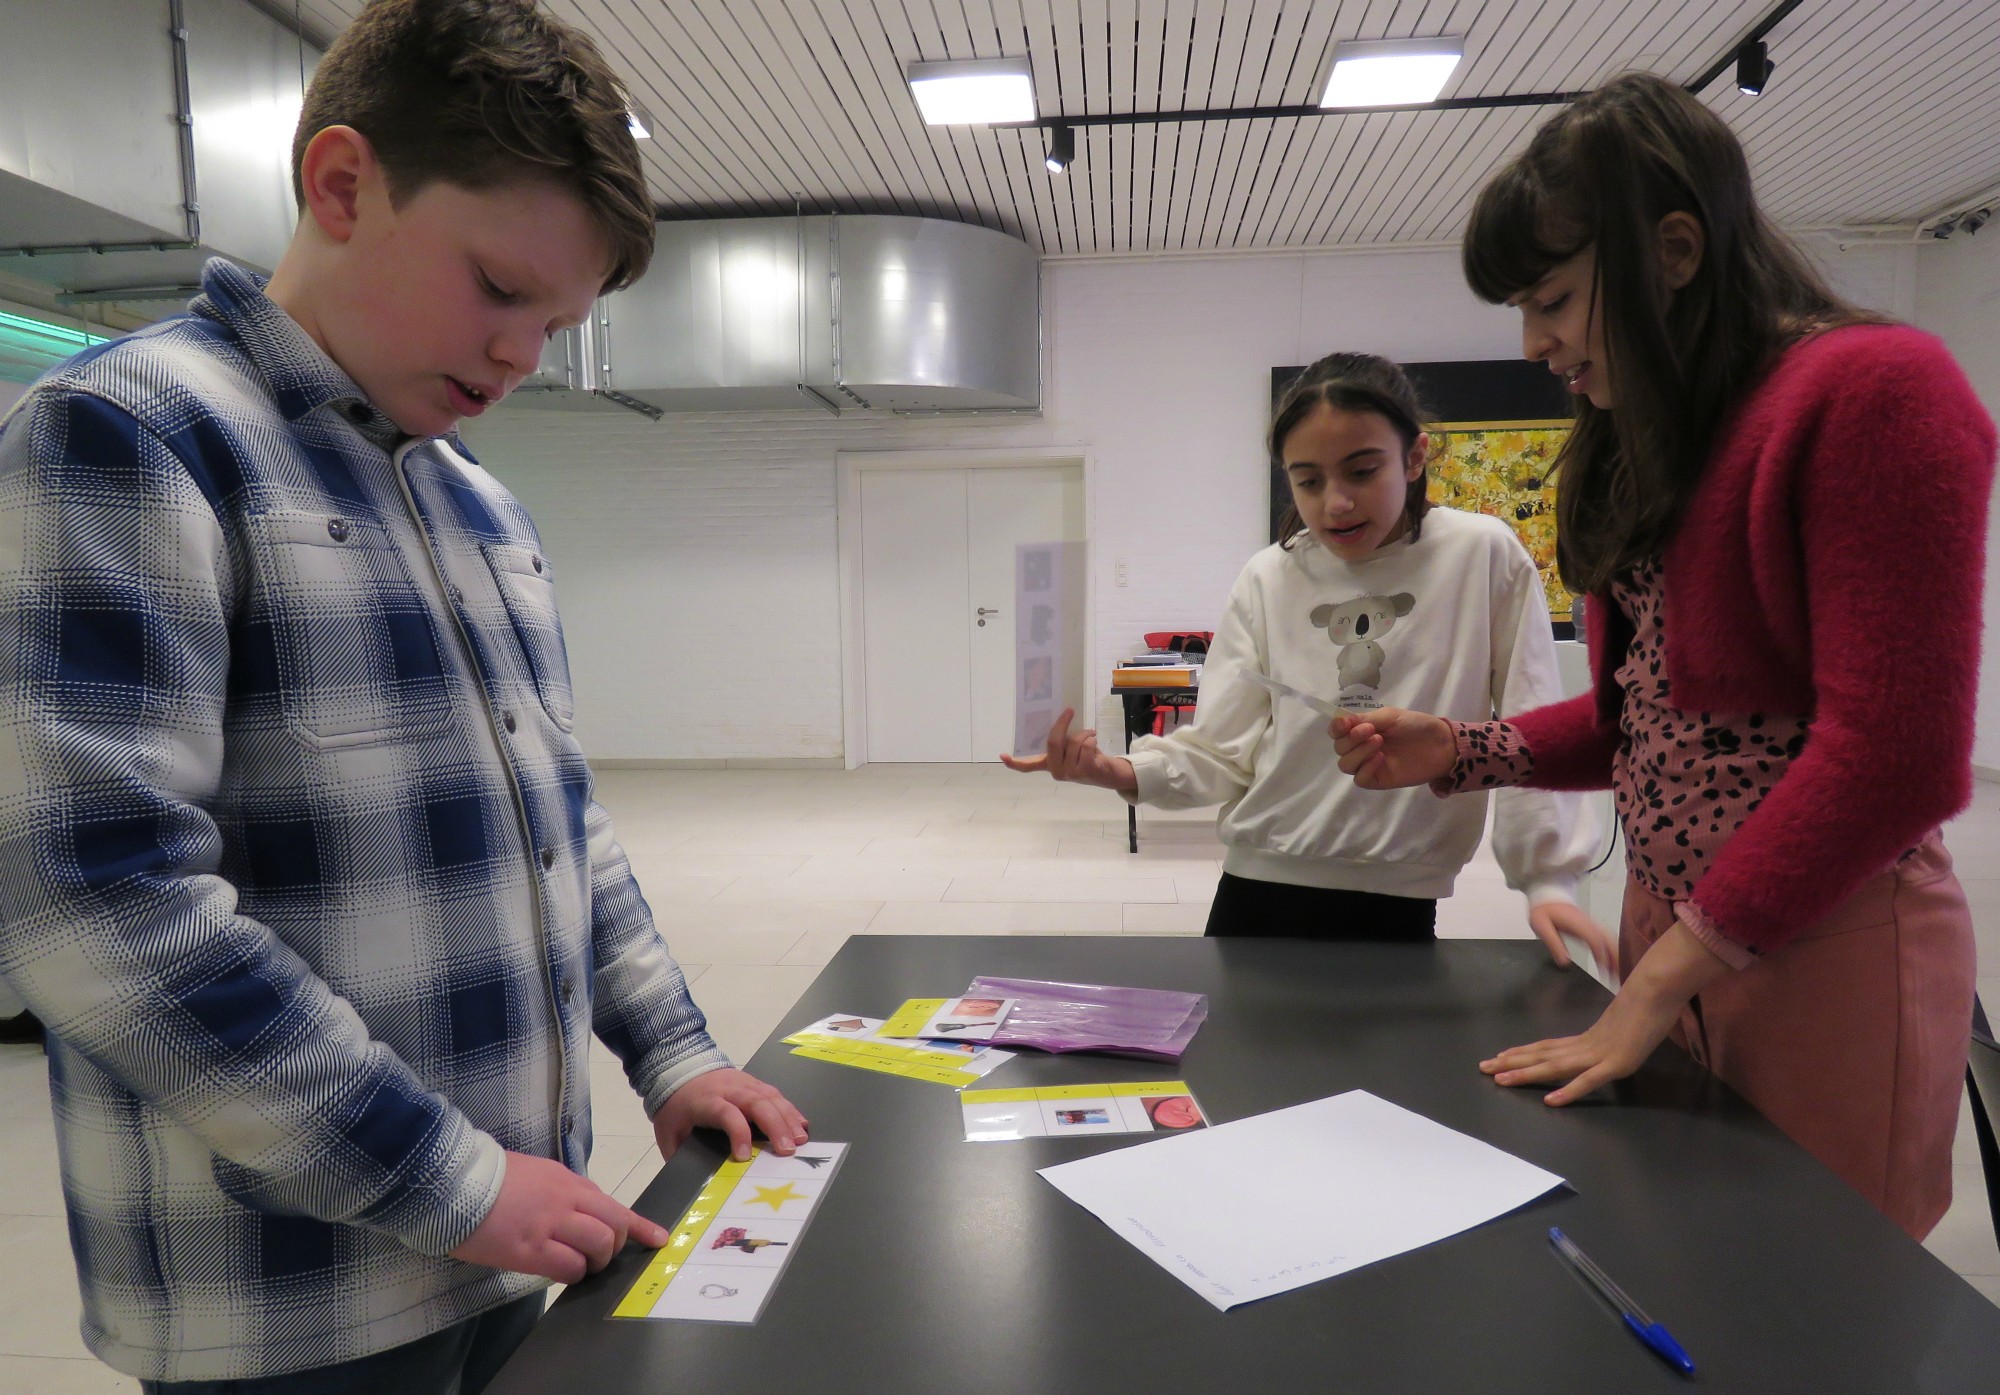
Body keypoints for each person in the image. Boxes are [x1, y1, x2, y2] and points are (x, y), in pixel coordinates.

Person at [0, 2, 809, 1389]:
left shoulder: (481, 505)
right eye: (500, 290)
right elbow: (93, 903)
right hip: (288, 1297)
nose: (519, 358)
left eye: (554, 322)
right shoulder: (126, 438)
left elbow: (565, 823)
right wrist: (456, 1179)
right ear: (340, 183)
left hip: (505, 1231)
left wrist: (671, 1045)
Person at [1331, 73, 1994, 1240]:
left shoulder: (1871, 390)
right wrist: (1465, 746)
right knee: (1688, 1255)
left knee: (1816, 1285)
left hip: (1820, 943)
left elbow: (1893, 757)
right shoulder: (1647, 435)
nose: (1533, 343)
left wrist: (1656, 978)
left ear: (1674, 251)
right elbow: (1649, 718)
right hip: (1672, 931)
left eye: (1550, 300)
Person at [1003, 352, 1609, 966]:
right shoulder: (1271, 575)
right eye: (1309, 480)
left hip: (1400, 897)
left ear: (1415, 456)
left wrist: (1548, 880)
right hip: (1258, 888)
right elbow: (1221, 749)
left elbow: (1533, 722)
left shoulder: (1482, 555)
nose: (1336, 503)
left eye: (1362, 471)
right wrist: (1117, 772)